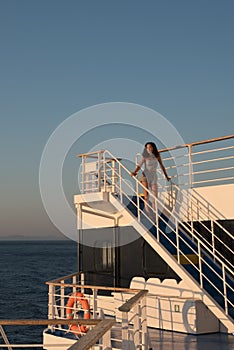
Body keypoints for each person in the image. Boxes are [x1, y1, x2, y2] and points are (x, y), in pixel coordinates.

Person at [131, 142, 170, 213]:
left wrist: (166, 176)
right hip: (145, 176)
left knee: (155, 196)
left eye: (150, 147)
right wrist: (135, 172)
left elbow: (162, 166)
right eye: (147, 147)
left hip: (153, 176)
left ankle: (154, 212)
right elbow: (140, 165)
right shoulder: (145, 156)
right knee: (146, 196)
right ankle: (148, 212)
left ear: (153, 148)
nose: (149, 149)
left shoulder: (157, 155)